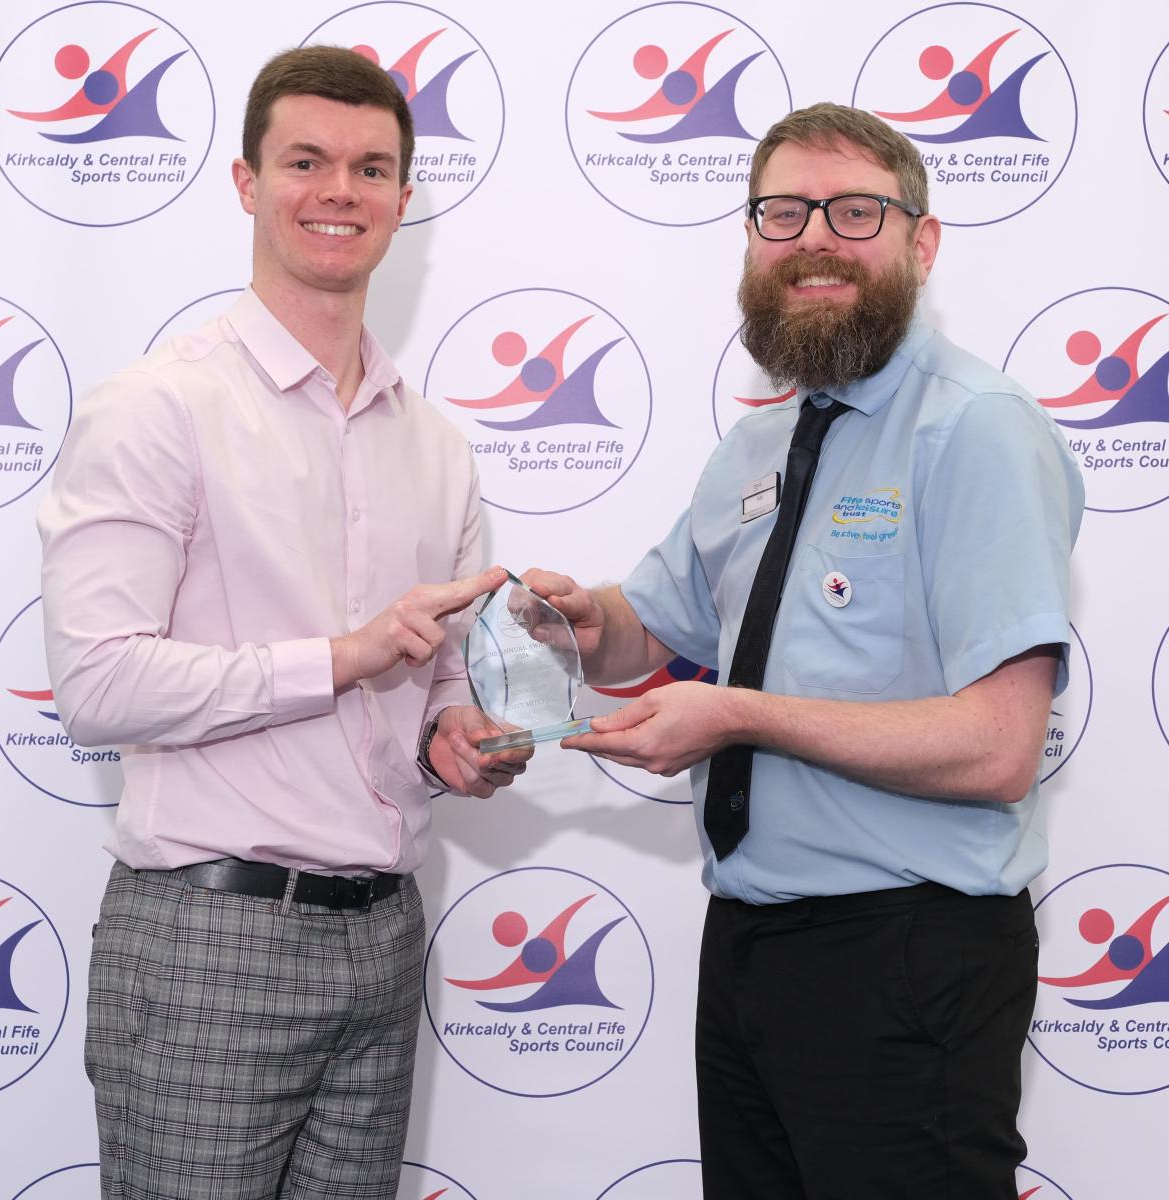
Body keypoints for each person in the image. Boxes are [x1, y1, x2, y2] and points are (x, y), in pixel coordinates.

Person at [524, 102, 1083, 1199]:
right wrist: (585, 620)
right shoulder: (759, 438)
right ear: (751, 238)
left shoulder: (975, 426)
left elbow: (999, 747)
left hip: (907, 953)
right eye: (783, 212)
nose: (814, 237)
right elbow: (657, 622)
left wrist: (737, 716)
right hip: (749, 947)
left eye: (854, 211)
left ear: (922, 241)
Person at [38, 46, 528, 1200]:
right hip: (208, 940)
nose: (339, 191)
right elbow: (98, 687)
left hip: (385, 937)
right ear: (247, 182)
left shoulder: (438, 445)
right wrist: (346, 658)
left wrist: (455, 741)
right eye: (306, 161)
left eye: (371, 168)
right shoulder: (158, 409)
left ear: (403, 197)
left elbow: (439, 683)